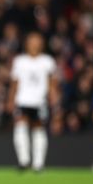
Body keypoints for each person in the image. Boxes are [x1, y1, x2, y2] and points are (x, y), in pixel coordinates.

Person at [7, 32, 58, 172]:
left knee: (38, 128)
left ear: (41, 44)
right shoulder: (20, 60)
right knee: (20, 126)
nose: (34, 44)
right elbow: (14, 82)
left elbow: (52, 82)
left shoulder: (47, 61)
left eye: (37, 41)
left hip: (39, 101)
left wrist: (54, 97)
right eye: (31, 41)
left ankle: (38, 163)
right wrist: (11, 100)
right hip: (22, 100)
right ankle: (23, 161)